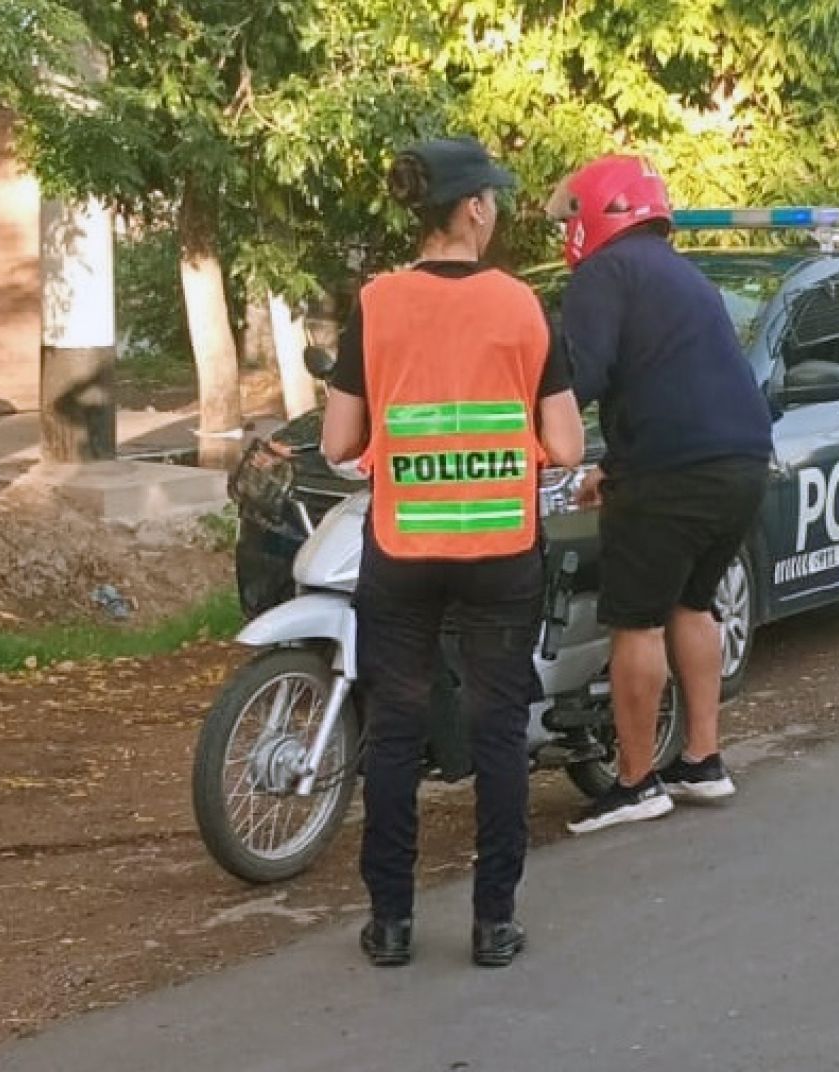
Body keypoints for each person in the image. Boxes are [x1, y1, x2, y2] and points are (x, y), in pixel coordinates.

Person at [321, 136, 585, 968]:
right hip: (502, 554)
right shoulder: (521, 307)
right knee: (499, 731)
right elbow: (567, 446)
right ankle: (494, 923)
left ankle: (391, 924)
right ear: (472, 209)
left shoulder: (377, 304)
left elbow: (338, 440)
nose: (495, 210)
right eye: (492, 199)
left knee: (396, 733)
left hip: (402, 553)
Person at [549, 156, 774, 836]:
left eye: (569, 217)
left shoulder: (603, 274)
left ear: (597, 213)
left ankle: (635, 781)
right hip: (743, 463)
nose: (566, 231)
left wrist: (530, 426)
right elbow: (674, 384)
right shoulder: (683, 275)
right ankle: (702, 759)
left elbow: (579, 379)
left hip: (673, 474)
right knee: (692, 603)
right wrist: (617, 466)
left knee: (636, 620)